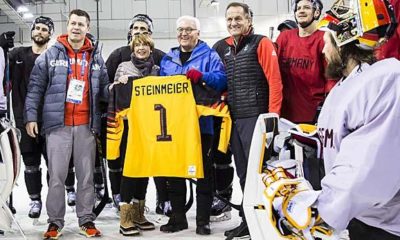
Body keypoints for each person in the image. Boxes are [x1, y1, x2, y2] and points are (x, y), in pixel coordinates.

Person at [266, 1, 400, 239]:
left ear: (343, 40)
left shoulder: (385, 80)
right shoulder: (346, 84)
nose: (324, 49)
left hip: (384, 224)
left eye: (328, 40)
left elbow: (366, 164)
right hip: (360, 215)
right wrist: (302, 139)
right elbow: (342, 138)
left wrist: (318, 209)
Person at [24, 9, 109, 238]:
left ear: (87, 28)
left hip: (86, 126)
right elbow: (35, 89)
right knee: (57, 176)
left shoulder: (96, 57)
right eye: (73, 23)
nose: (76, 27)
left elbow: (104, 92)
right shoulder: (50, 55)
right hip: (57, 126)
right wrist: (31, 117)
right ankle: (55, 222)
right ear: (67, 25)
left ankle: (86, 219)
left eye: (81, 24)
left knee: (86, 176)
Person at [159, 15, 227, 235]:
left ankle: (202, 221)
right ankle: (178, 218)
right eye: (180, 29)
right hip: (173, 127)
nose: (184, 33)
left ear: (198, 33)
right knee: (174, 173)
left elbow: (221, 80)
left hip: (201, 125)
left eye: (189, 29)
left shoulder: (209, 55)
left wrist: (202, 76)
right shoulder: (168, 59)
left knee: (203, 173)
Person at [222, 2, 283, 239]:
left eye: (238, 18)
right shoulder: (227, 48)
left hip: (256, 118)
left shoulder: (261, 43)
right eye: (229, 19)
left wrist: (272, 119)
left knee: (259, 174)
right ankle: (248, 221)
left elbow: (275, 82)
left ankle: (265, 221)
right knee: (244, 174)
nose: (233, 23)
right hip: (235, 118)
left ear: (249, 20)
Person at [8, 16, 78, 220]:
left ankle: (57, 199)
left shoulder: (56, 55)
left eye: (44, 29)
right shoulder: (17, 55)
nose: (39, 32)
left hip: (52, 119)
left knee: (56, 163)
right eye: (36, 28)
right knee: (30, 163)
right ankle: (35, 200)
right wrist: (1, 49)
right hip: (24, 119)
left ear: (50, 34)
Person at [105, 13, 166, 211]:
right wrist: (115, 87)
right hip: (125, 122)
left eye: (144, 30)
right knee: (121, 162)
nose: (139, 34)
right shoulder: (117, 56)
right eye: (136, 29)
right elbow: (105, 86)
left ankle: (154, 200)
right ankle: (120, 198)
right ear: (130, 32)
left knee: (151, 163)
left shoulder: (159, 59)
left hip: (151, 123)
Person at [112, 34, 158, 236]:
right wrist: (118, 83)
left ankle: (139, 214)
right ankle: (125, 218)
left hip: (149, 127)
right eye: (138, 45)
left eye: (145, 45)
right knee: (130, 169)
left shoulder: (157, 70)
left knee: (144, 170)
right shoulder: (123, 66)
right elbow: (111, 92)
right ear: (132, 48)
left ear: (150, 48)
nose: (141, 48)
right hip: (129, 127)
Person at [275, 0, 335, 123]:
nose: (301, 11)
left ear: (317, 12)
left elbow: (332, 78)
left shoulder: (324, 38)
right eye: (298, 8)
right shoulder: (284, 37)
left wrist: (327, 106)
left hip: (312, 115)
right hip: (283, 115)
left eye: (306, 7)